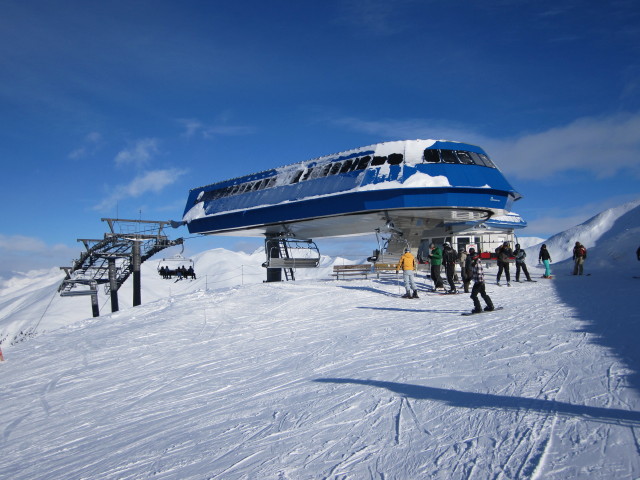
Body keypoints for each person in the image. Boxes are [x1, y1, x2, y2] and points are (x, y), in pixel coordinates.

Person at [469, 249, 494, 313]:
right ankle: (490, 306)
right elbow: (475, 272)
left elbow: (479, 273)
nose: (471, 258)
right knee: (483, 294)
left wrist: (479, 282)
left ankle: (478, 308)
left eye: (472, 257)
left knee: (473, 295)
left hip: (479, 282)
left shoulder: (477, 263)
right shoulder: (475, 262)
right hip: (480, 281)